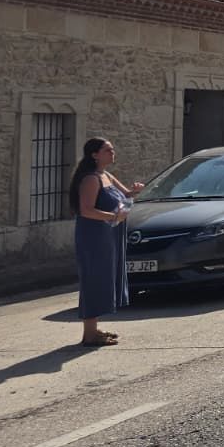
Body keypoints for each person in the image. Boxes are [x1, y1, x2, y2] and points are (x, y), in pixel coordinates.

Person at [68, 137, 144, 346]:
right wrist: (112, 217)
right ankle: (89, 334)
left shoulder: (106, 175)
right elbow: (86, 210)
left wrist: (134, 191)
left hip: (110, 234)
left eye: (112, 149)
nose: (112, 153)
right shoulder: (91, 179)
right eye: (107, 150)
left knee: (105, 278)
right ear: (94, 154)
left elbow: (125, 194)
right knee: (94, 278)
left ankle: (93, 330)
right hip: (94, 236)